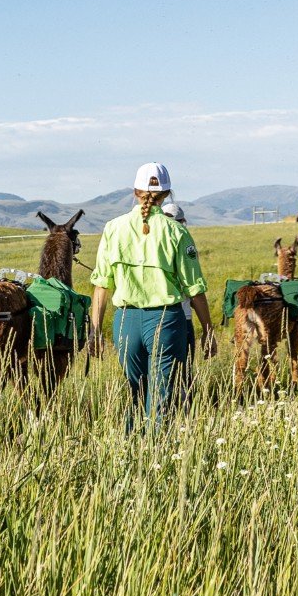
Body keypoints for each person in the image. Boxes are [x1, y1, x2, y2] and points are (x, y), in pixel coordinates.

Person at [87, 163, 216, 426]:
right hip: (167, 320)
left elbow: (101, 285)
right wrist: (208, 331)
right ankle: (156, 456)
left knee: (134, 392)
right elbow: (195, 290)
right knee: (162, 398)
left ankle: (129, 453)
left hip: (125, 321)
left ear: (135, 191)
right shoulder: (177, 231)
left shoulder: (113, 228)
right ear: (167, 194)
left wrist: (95, 330)